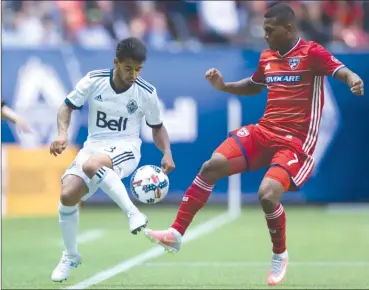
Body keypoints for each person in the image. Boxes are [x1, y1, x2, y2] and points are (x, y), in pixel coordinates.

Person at [143, 3, 364, 286]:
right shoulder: (267, 56)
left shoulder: (312, 53)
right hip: (264, 131)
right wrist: (224, 87)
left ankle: (279, 254)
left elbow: (341, 71)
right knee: (211, 166)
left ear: (290, 29)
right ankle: (175, 234)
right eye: (264, 30)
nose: (266, 35)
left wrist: (353, 79)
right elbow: (254, 85)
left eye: (271, 31)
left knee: (267, 194)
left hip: (295, 143)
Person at [49, 37, 175, 282]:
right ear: (116, 62)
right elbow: (66, 107)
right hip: (93, 146)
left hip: (127, 147)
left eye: (138, 69)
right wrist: (62, 134)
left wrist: (167, 152)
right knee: (67, 196)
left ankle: (132, 213)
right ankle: (71, 254)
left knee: (92, 165)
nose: (133, 74)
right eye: (129, 68)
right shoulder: (94, 80)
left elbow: (157, 127)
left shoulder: (146, 92)